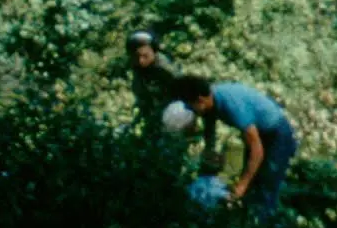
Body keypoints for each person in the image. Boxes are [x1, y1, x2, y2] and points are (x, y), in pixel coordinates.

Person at [173, 75, 298, 216]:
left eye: (191, 106)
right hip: (259, 133)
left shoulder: (232, 106)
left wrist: (242, 185)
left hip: (277, 134)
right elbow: (209, 131)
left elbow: (257, 151)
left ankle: (265, 224)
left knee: (267, 182)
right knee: (252, 179)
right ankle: (248, 215)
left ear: (200, 100)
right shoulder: (210, 103)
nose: (192, 111)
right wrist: (209, 155)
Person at [126, 30, 179, 132]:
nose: (140, 61)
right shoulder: (138, 65)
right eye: (136, 57)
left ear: (154, 51)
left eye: (145, 56)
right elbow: (140, 89)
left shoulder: (165, 68)